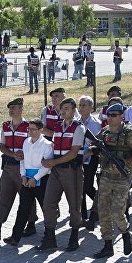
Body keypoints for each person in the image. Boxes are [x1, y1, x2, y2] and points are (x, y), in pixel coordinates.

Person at [91, 102, 132, 258]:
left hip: (122, 177)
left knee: (116, 211)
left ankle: (126, 232)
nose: (110, 118)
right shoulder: (104, 132)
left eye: (114, 115)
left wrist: (125, 162)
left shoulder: (130, 133)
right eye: (109, 115)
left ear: (122, 116)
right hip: (106, 176)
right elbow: (95, 147)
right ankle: (108, 245)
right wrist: (93, 151)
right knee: (103, 211)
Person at [0, 98, 38, 241]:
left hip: (24, 167)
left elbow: (34, 145)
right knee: (3, 196)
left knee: (27, 197)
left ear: (21, 109)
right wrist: (12, 154)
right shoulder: (5, 126)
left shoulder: (28, 126)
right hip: (8, 166)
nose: (11, 111)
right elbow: (2, 146)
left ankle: (31, 224)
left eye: (14, 107)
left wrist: (24, 155)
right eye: (10, 108)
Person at [37, 97, 86, 252]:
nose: (63, 111)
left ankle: (74, 236)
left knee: (74, 204)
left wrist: (53, 163)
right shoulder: (58, 127)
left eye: (67, 108)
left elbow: (73, 153)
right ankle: (50, 236)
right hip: (56, 170)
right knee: (48, 202)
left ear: (73, 110)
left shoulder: (79, 128)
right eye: (62, 108)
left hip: (71, 170)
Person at [3, 118, 53, 246]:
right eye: (28, 129)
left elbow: (47, 166)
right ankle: (15, 237)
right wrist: (23, 176)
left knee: (46, 209)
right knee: (23, 209)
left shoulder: (47, 145)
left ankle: (49, 238)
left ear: (41, 130)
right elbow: (22, 161)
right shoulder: (26, 142)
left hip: (42, 180)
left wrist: (35, 178)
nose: (29, 131)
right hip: (26, 181)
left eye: (33, 129)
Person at [78, 96, 102, 230]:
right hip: (78, 156)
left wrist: (88, 152)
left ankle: (99, 206)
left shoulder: (96, 123)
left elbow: (97, 142)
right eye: (80, 105)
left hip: (91, 157)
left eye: (84, 105)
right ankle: (83, 216)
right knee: (80, 187)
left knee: (87, 186)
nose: (81, 108)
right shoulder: (76, 121)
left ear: (91, 108)